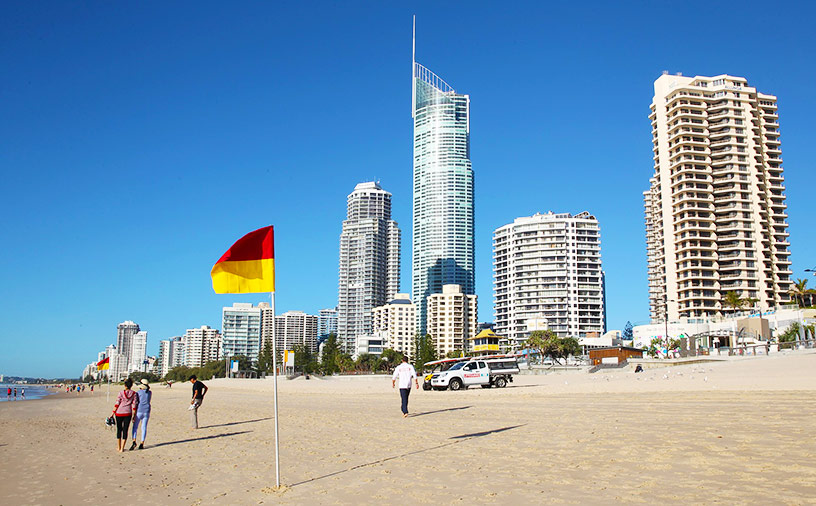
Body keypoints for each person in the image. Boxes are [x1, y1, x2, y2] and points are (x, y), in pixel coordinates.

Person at [112, 378, 139, 452]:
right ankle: (122, 448)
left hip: (119, 412)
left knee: (119, 429)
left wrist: (112, 413)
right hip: (128, 413)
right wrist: (134, 415)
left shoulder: (121, 393)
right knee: (125, 430)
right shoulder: (134, 393)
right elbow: (134, 405)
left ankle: (118, 447)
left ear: (125, 385)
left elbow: (117, 403)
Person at [130, 379, 152, 450]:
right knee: (144, 427)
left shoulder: (138, 392)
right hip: (147, 410)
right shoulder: (149, 392)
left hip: (139, 410)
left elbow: (136, 402)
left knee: (135, 427)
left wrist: (134, 413)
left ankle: (134, 440)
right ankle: (142, 442)